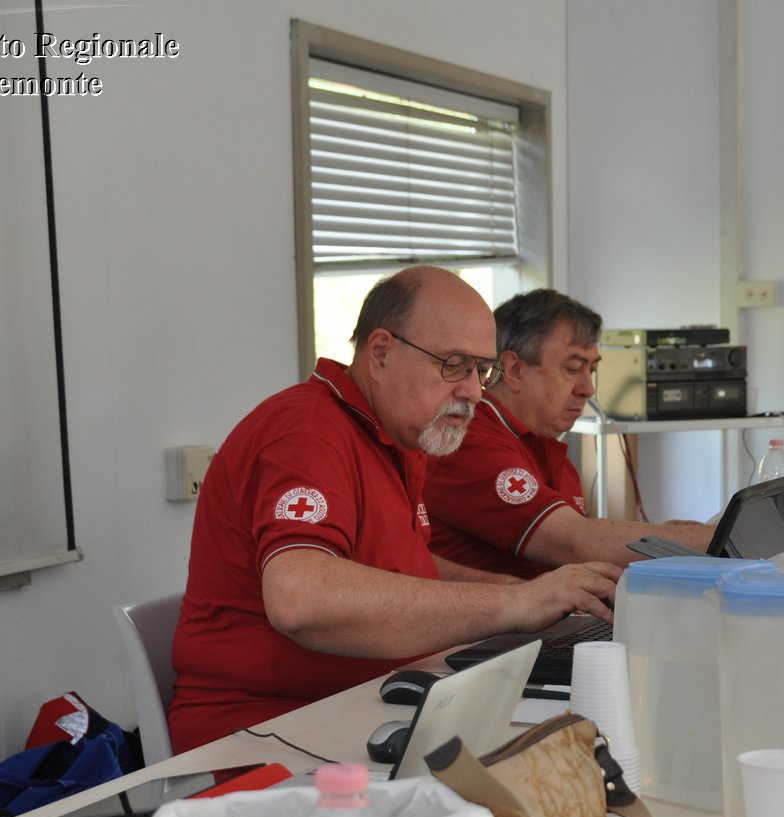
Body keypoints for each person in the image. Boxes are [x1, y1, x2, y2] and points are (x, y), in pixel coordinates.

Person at [167, 267, 619, 753]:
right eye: (454, 364)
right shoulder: (306, 431)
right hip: (264, 733)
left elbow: (398, 566)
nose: (472, 391)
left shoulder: (402, 437)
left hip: (371, 703)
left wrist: (521, 592)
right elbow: (301, 598)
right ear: (381, 351)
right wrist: (514, 605)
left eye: (480, 371)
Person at [424, 289, 717, 576]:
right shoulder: (470, 439)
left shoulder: (546, 443)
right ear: (513, 369)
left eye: (591, 370)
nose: (588, 389)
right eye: (573, 368)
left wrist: (667, 536)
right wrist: (715, 538)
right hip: (496, 625)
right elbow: (577, 544)